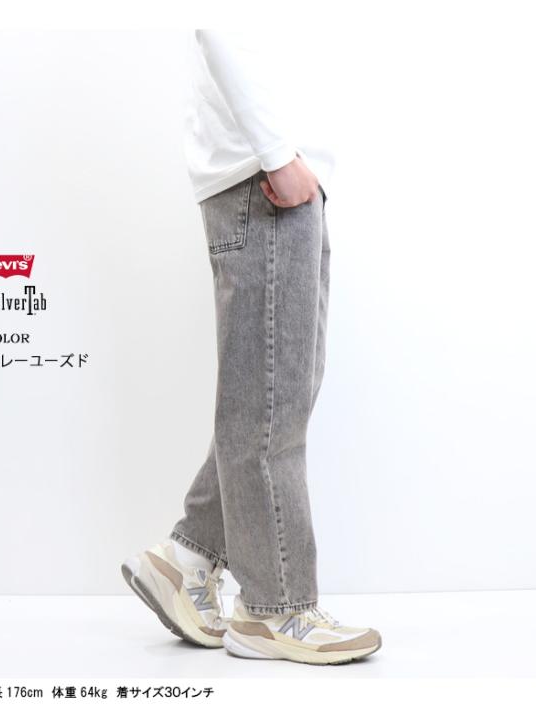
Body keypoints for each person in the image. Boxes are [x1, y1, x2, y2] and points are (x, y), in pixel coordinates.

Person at [122, 29, 382, 665]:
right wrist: (275, 153)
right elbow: (220, 27)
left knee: (280, 392)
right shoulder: (267, 161)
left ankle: (188, 556)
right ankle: (275, 608)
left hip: (289, 174)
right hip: (262, 175)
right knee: (269, 402)